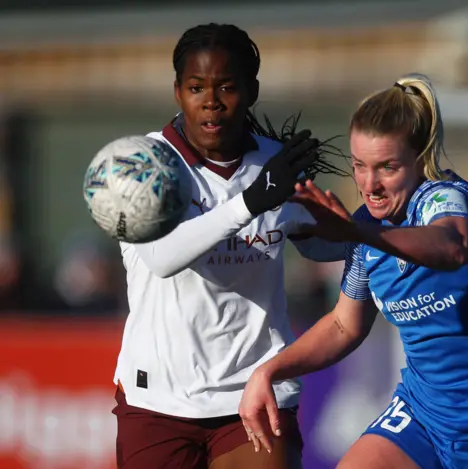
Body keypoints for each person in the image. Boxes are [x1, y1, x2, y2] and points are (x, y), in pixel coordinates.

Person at [238, 74, 468, 469]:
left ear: (418, 158)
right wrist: (269, 371)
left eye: (387, 168)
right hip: (424, 417)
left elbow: (453, 247)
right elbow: (345, 325)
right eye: (360, 166)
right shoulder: (365, 229)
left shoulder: (445, 197)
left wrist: (359, 231)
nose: (369, 184)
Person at [109, 23, 348, 469]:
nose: (211, 101)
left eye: (227, 87)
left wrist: (379, 229)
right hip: (158, 401)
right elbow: (163, 258)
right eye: (196, 87)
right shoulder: (144, 164)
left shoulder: (277, 165)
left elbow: (317, 247)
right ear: (177, 92)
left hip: (257, 390)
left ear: (252, 91)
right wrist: (251, 202)